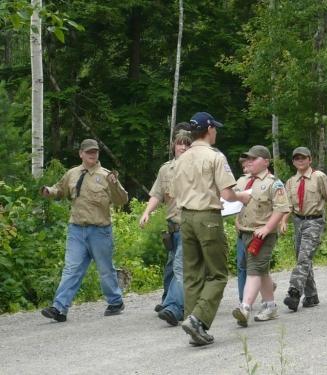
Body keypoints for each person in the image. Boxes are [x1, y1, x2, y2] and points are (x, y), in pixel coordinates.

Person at [172, 112, 249, 346]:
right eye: (215, 128)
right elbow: (227, 194)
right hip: (208, 217)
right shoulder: (215, 157)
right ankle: (197, 320)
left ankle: (191, 321)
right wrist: (242, 196)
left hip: (185, 218)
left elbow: (174, 193)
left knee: (192, 274)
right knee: (217, 274)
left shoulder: (180, 159)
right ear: (209, 130)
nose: (216, 131)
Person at [40, 139, 128, 322]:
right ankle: (59, 308)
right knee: (71, 269)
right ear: (81, 153)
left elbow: (122, 200)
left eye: (95, 152)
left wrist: (115, 183)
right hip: (76, 230)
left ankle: (115, 301)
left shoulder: (106, 176)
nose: (92, 155)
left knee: (105, 270)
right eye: (89, 152)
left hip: (100, 231)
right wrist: (49, 191)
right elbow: (60, 189)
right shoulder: (72, 173)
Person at [280, 147, 327, 312]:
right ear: (293, 162)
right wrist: (283, 220)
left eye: (303, 158)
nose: (300, 161)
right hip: (298, 222)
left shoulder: (319, 177)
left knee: (303, 258)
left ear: (310, 159)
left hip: (315, 221)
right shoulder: (291, 182)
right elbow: (288, 205)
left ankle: (294, 292)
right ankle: (311, 296)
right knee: (302, 258)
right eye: (297, 158)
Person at [232, 145, 290, 327]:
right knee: (259, 269)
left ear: (266, 162)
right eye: (247, 159)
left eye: (253, 158)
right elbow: (236, 202)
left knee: (255, 269)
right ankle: (270, 305)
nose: (249, 162)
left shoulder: (274, 183)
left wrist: (267, 228)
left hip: (262, 234)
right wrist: (236, 220)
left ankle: (245, 308)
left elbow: (281, 209)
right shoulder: (242, 181)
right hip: (244, 231)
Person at [139, 130, 192, 326]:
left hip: (190, 225)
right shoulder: (165, 170)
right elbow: (157, 194)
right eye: (180, 143)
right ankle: (168, 300)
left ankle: (174, 307)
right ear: (173, 145)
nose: (184, 147)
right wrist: (147, 212)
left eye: (188, 143)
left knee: (180, 266)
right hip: (173, 228)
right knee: (171, 268)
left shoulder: (197, 167)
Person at [235, 156, 251, 302]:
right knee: (241, 264)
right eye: (244, 168)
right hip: (241, 229)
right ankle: (243, 300)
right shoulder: (240, 182)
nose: (246, 170)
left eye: (248, 166)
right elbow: (234, 204)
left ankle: (267, 291)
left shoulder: (266, 182)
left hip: (256, 231)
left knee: (257, 266)